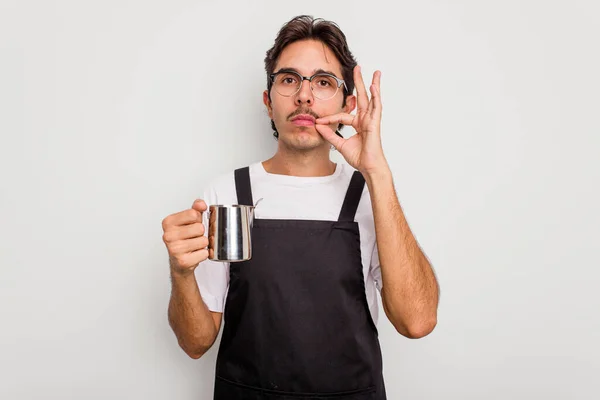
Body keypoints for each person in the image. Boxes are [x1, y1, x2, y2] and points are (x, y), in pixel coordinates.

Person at [161, 15, 439, 400]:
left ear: (349, 102)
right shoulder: (226, 194)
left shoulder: (371, 196)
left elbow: (418, 321)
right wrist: (181, 273)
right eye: (289, 80)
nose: (304, 96)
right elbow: (195, 343)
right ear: (268, 99)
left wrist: (377, 173)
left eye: (323, 82)